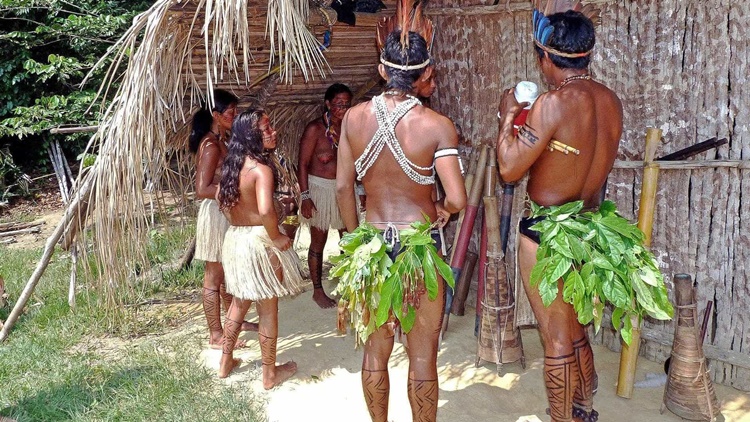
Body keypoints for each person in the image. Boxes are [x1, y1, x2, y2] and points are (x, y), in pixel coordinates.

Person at [496, 11, 622, 422]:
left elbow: (509, 170)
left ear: (545, 57)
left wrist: (506, 118)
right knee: (576, 330)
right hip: (589, 228)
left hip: (547, 231)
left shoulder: (552, 104)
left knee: (555, 339)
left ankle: (561, 418)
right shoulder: (609, 100)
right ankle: (584, 409)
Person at [336, 30, 466, 422]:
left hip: (372, 247)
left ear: (381, 70)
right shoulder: (437, 126)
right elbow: (458, 199)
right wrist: (441, 208)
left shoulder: (353, 120)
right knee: (422, 353)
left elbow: (344, 187)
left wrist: (353, 239)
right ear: (425, 71)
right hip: (419, 248)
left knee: (375, 350)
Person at [216, 109, 304, 387]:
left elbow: (221, 199)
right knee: (268, 309)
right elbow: (266, 210)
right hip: (260, 243)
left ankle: (225, 361)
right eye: (265, 129)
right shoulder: (261, 169)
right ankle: (269, 373)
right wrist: (276, 236)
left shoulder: (233, 166)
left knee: (239, 304)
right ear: (252, 136)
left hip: (237, 239)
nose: (272, 132)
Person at [189, 89, 257, 350]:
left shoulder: (220, 140)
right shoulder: (209, 144)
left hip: (224, 210)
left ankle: (233, 322)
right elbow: (201, 188)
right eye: (230, 112)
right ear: (216, 115)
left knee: (227, 271)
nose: (235, 115)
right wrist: (232, 193)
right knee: (214, 276)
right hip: (215, 214)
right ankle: (216, 334)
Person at [297, 83, 354, 308]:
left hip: (344, 190)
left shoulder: (350, 128)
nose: (343, 109)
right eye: (339, 104)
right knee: (318, 242)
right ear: (328, 104)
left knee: (349, 240)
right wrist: (305, 196)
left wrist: (358, 189)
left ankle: (349, 285)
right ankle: (317, 290)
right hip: (319, 189)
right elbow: (302, 163)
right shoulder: (315, 129)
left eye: (347, 105)